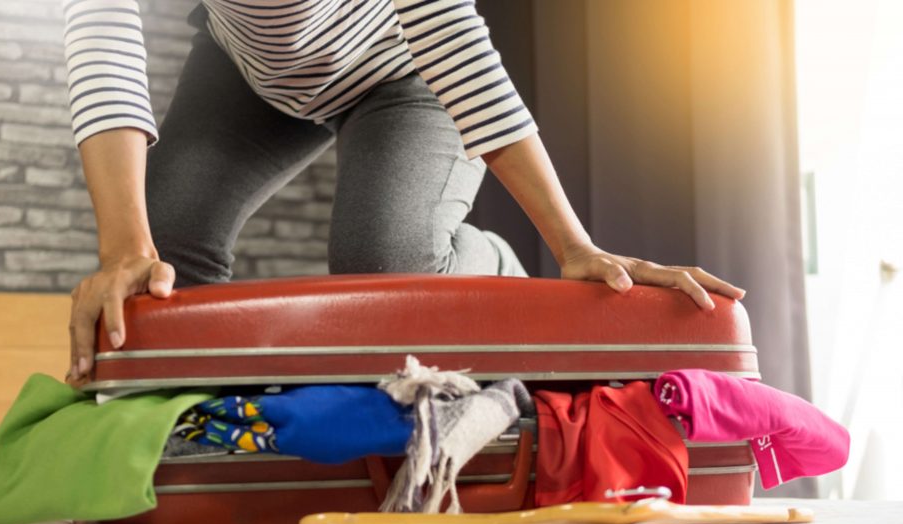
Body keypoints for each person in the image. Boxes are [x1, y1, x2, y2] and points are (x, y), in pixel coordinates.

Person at [62, 0, 744, 386]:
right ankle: (201, 431)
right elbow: (100, 27)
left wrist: (571, 244)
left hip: (402, 71)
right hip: (254, 74)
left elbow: (451, 41)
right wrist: (126, 245)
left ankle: (491, 263)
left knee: (385, 269)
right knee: (162, 260)